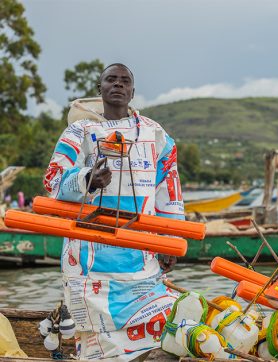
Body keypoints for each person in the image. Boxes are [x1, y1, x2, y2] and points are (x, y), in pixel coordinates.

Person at [44, 63, 185, 361]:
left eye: (125, 81)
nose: (118, 85)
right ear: (100, 89)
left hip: (140, 257)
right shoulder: (78, 131)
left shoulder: (155, 133)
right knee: (96, 343)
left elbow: (168, 189)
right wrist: (86, 179)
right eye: (111, 80)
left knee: (158, 332)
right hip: (89, 259)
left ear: (133, 91)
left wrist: (170, 238)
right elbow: (53, 180)